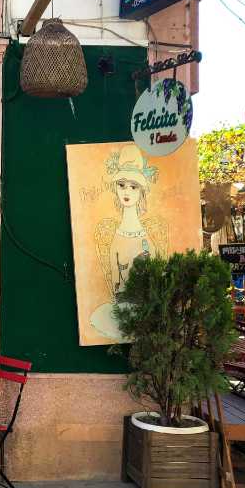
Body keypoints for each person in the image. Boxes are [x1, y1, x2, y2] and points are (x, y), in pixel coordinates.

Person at [91, 144, 167, 342]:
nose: (127, 191)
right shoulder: (112, 236)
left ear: (141, 191)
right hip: (124, 309)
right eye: (121, 185)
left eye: (133, 186)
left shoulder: (149, 236)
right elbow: (115, 284)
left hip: (147, 308)